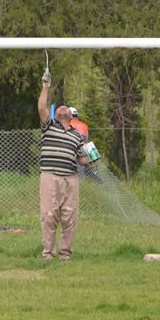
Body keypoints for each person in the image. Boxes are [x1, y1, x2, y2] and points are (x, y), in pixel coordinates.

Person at [37, 67, 90, 261]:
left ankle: (65, 254)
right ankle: (48, 254)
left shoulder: (77, 136)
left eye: (65, 108)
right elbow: (41, 108)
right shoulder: (49, 126)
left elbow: (82, 160)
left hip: (71, 179)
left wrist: (91, 158)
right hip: (50, 177)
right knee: (49, 215)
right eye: (59, 108)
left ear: (71, 115)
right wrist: (46, 85)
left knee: (70, 217)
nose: (62, 108)